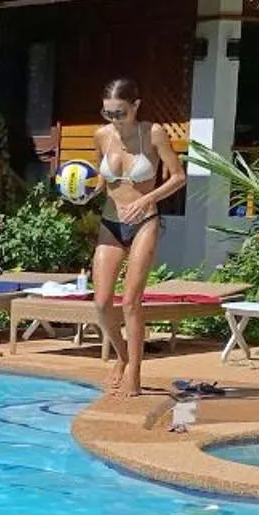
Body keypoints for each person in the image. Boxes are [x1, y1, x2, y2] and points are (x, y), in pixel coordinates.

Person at [88, 78, 187, 397]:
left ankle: (135, 370)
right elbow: (102, 178)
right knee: (102, 303)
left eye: (120, 113)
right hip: (111, 222)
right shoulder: (102, 136)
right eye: (108, 114)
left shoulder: (153, 133)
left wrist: (146, 200)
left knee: (131, 301)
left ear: (136, 106)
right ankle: (121, 355)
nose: (114, 120)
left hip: (145, 221)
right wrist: (86, 190)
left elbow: (178, 177)